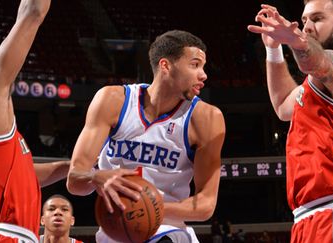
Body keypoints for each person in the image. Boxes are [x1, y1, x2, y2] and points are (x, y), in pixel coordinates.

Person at [67, 30, 226, 243]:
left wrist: (150, 207)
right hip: (116, 229)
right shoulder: (113, 100)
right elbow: (75, 180)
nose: (203, 74)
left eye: (203, 67)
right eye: (195, 65)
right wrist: (95, 177)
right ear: (165, 66)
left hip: (169, 227)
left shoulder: (206, 118)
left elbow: (205, 205)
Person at [247, 0, 333, 242]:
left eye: (317, 19)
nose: (307, 26)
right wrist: (273, 49)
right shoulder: (314, 84)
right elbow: (283, 105)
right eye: (305, 20)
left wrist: (296, 40)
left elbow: (315, 62)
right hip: (308, 216)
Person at [0, 0, 63, 242]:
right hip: (4, 236)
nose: (0, 71)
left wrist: (75, 167)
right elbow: (32, 12)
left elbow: (19, 175)